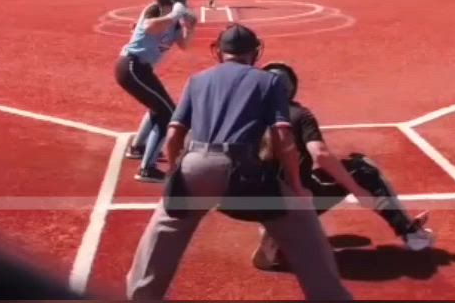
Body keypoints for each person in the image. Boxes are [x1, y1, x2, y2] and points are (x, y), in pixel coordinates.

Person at [126, 25, 351, 301]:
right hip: (242, 169)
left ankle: (141, 296)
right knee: (305, 230)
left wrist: (176, 174)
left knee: (163, 230)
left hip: (194, 163)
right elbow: (283, 137)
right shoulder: (269, 82)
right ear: (255, 53)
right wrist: (296, 186)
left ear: (219, 51)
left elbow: (173, 135)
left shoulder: (197, 80)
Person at [252, 61, 434, 271]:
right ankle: (412, 234)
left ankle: (274, 227)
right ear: (291, 89)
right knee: (362, 169)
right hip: (291, 200)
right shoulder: (300, 115)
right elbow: (320, 154)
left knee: (275, 180)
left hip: (249, 199)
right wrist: (358, 191)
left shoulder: (244, 115)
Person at [117, 0, 197, 182]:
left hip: (142, 71)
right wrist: (175, 15)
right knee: (167, 113)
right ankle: (147, 169)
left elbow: (184, 45)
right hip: (131, 67)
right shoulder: (154, 10)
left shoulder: (174, 21)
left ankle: (138, 147)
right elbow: (151, 28)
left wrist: (189, 27)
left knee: (159, 107)